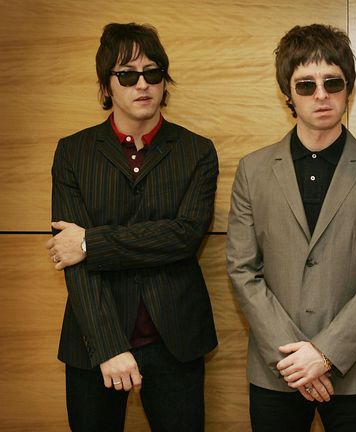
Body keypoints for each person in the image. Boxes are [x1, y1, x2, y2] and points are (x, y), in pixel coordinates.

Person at [226, 24, 356, 432]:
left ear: (349, 88)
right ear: (288, 95)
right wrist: (295, 360)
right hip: (277, 370)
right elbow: (242, 269)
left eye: (333, 82)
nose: (321, 95)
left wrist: (324, 354)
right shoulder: (253, 171)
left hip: (353, 371)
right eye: (306, 85)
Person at [46, 23, 218, 431]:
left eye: (153, 73)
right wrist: (108, 347)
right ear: (107, 87)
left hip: (175, 339)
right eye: (127, 74)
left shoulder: (197, 151)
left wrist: (91, 241)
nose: (143, 84)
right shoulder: (73, 152)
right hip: (94, 337)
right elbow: (72, 258)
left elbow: (185, 236)